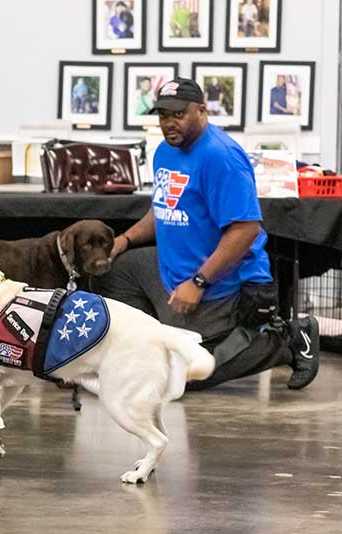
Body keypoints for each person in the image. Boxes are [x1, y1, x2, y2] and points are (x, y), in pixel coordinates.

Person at [96, 77, 320, 392]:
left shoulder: (221, 157)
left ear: (202, 111)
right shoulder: (165, 151)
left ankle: (287, 339)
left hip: (223, 282)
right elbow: (163, 207)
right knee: (114, 272)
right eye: (163, 115)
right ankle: (155, 344)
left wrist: (198, 282)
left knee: (188, 376)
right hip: (173, 267)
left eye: (178, 114)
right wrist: (126, 240)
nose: (169, 123)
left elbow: (245, 231)